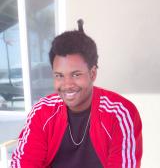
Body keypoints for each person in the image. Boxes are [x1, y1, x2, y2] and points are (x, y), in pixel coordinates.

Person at [11, 20, 142, 168]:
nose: (67, 85)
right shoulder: (42, 111)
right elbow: (23, 164)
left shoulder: (119, 113)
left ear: (92, 74)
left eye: (76, 74)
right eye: (59, 75)